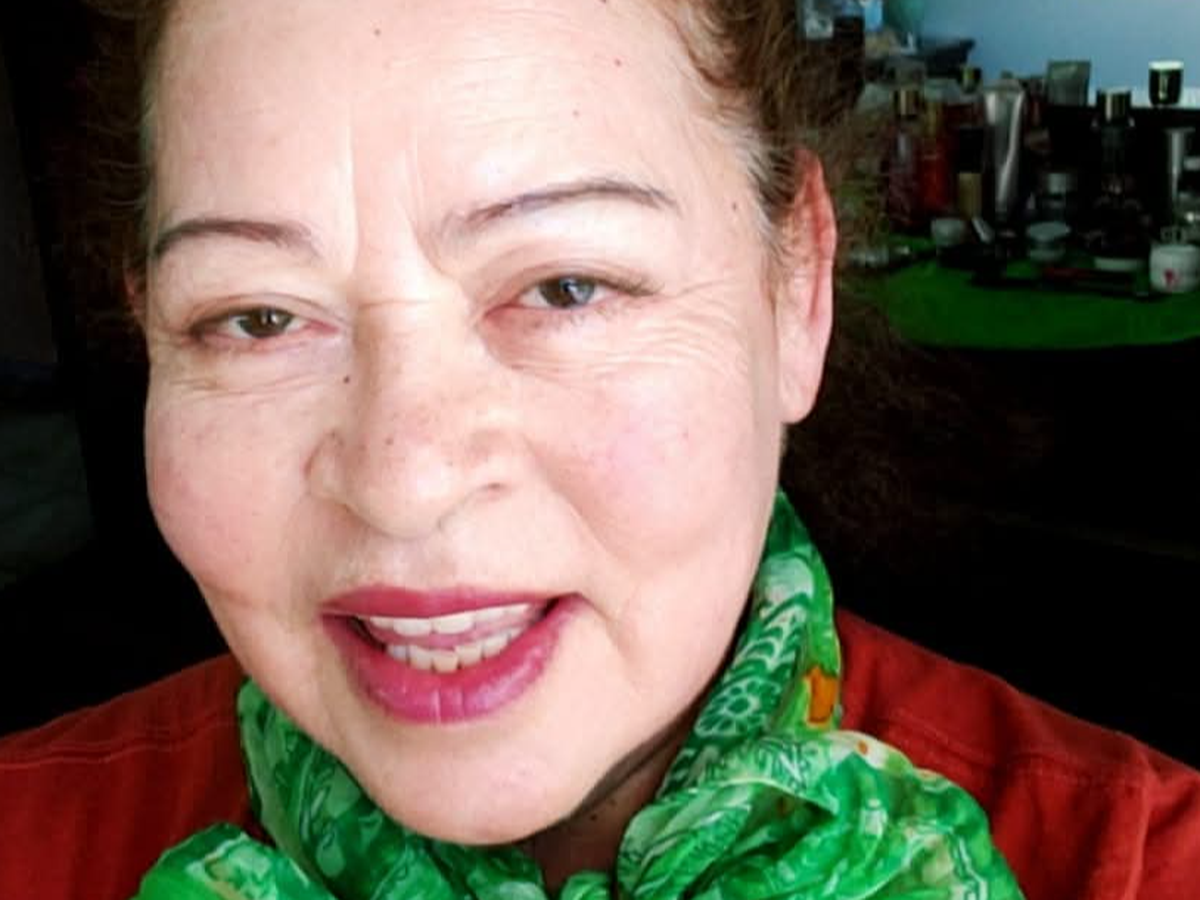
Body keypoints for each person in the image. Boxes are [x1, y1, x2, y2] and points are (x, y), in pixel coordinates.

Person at [1, 0, 1199, 898]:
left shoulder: (1140, 863)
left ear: (797, 291)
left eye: (566, 287)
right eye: (257, 318)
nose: (405, 481)